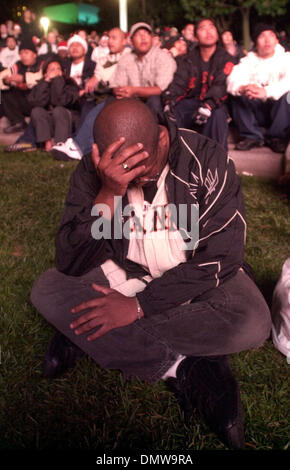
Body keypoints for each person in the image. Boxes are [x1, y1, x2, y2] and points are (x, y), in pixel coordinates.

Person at [31, 98, 271, 450]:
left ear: (161, 138)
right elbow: (71, 258)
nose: (133, 177)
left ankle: (85, 335)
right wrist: (109, 191)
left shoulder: (206, 159)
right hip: (123, 270)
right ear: (100, 153)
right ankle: (187, 369)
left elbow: (221, 257)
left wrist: (139, 306)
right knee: (47, 289)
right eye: (121, 168)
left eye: (141, 168)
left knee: (251, 321)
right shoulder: (94, 169)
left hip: (194, 278)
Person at [50, 22, 177, 161]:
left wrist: (133, 90)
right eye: (138, 35)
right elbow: (118, 83)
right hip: (132, 99)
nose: (143, 37)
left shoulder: (163, 57)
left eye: (146, 34)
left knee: (154, 101)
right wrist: (120, 90)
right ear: (132, 40)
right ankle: (79, 146)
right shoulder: (127, 59)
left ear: (152, 38)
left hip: (159, 99)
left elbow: (159, 89)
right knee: (109, 102)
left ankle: (153, 151)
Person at [163, 18, 236, 150]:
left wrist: (208, 105)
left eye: (211, 27)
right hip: (193, 101)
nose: (208, 32)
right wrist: (170, 101)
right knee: (175, 112)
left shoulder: (226, 58)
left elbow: (221, 85)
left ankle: (217, 164)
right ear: (196, 37)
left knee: (217, 115)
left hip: (216, 103)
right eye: (203, 28)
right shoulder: (188, 59)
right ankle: (176, 161)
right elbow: (179, 82)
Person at [227, 24, 290, 153]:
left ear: (277, 40)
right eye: (262, 36)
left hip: (280, 110)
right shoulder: (248, 60)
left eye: (271, 36)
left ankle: (276, 137)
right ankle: (252, 136)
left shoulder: (286, 58)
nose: (267, 40)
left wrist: (266, 92)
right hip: (256, 109)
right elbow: (232, 79)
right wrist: (243, 88)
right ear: (255, 42)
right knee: (236, 94)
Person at [27, 57, 80, 151]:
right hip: (49, 123)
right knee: (37, 111)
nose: (56, 72)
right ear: (45, 73)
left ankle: (60, 145)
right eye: (52, 69)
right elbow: (37, 102)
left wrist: (58, 81)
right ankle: (47, 143)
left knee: (58, 110)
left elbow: (61, 101)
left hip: (66, 120)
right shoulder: (40, 85)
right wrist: (45, 83)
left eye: (58, 69)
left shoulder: (69, 83)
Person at [0, 39, 43, 134]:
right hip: (23, 102)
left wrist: (23, 78)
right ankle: (18, 122)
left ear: (34, 54)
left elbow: (41, 78)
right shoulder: (18, 65)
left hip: (38, 103)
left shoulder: (42, 64)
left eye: (26, 53)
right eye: (21, 53)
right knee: (6, 91)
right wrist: (6, 81)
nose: (23, 56)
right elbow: (3, 76)